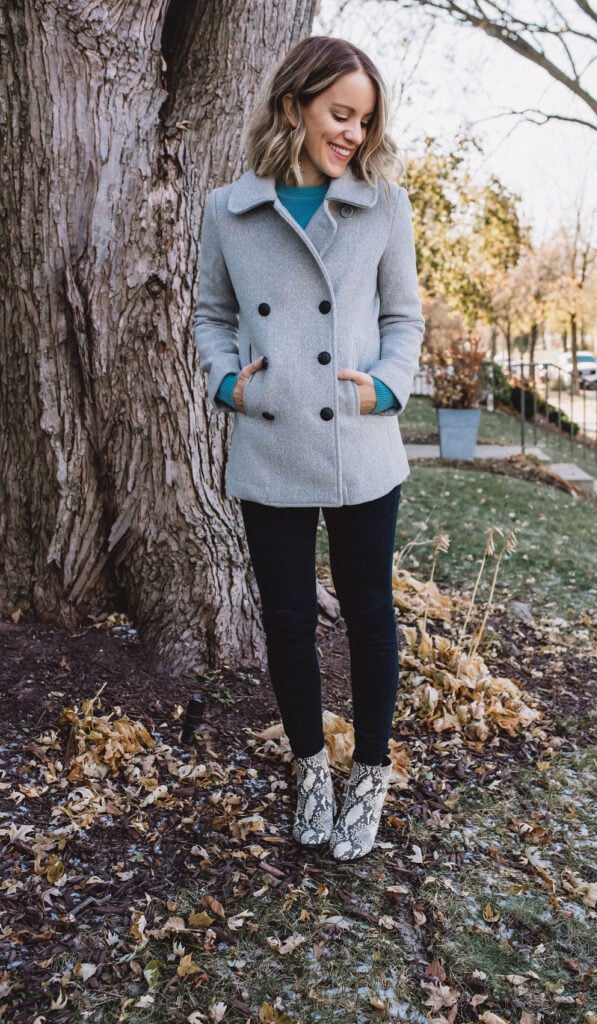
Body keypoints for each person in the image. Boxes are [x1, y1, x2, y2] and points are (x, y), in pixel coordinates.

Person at [193, 36, 425, 861]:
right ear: (293, 104)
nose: (354, 134)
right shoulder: (228, 209)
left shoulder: (381, 205)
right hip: (269, 441)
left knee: (368, 612)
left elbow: (404, 318)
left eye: (364, 120)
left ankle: (369, 771)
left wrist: (388, 387)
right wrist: (230, 385)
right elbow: (210, 316)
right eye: (340, 114)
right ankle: (309, 770)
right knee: (287, 620)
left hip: (363, 440)